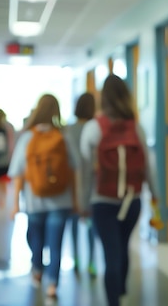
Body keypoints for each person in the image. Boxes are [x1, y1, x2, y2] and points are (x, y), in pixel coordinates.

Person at [80, 75, 159, 306]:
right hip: (132, 201)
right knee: (122, 247)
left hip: (102, 201)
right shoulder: (137, 128)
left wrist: (84, 202)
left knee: (110, 253)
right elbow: (148, 165)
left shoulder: (93, 128)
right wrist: (154, 194)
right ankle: (121, 291)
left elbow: (86, 171)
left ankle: (114, 300)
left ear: (102, 98)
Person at [7, 94, 79, 303]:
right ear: (57, 111)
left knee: (35, 239)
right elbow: (74, 170)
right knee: (56, 243)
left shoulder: (28, 137)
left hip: (34, 201)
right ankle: (52, 285)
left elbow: (18, 173)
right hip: (62, 200)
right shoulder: (63, 136)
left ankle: (37, 267)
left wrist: (15, 204)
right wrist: (75, 200)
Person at [65, 92, 98, 278]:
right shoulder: (95, 128)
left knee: (74, 223)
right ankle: (92, 261)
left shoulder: (69, 129)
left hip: (72, 185)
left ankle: (76, 257)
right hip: (92, 182)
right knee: (92, 224)